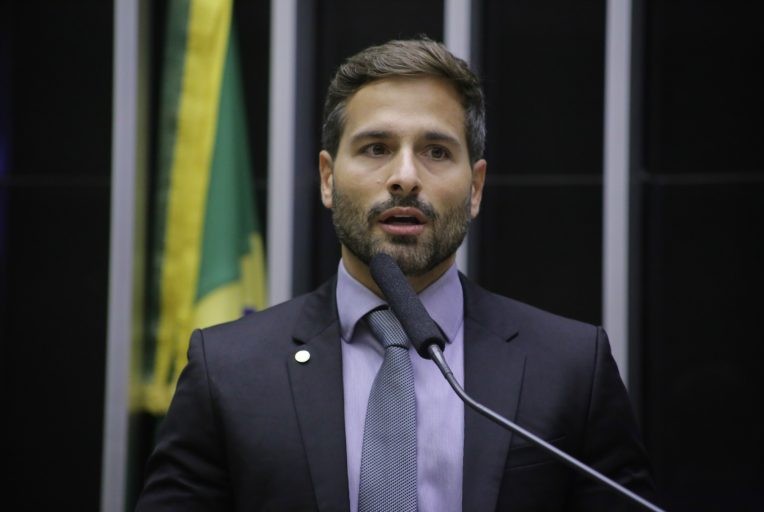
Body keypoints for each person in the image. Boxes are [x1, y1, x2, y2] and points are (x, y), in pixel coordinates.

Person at [136, 38, 655, 511]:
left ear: (475, 188)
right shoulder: (228, 371)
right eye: (376, 148)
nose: (405, 177)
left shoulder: (569, 369)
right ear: (327, 179)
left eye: (436, 152)